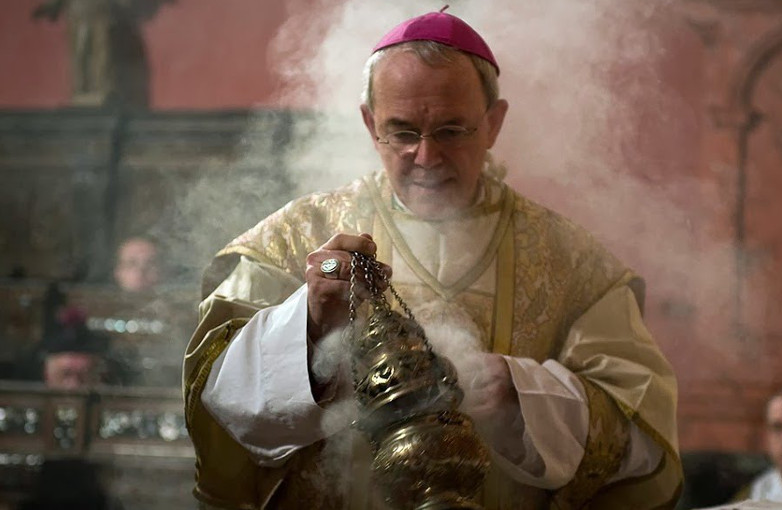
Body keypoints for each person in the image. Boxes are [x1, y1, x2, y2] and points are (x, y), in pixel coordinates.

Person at [182, 7, 681, 510]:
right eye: (402, 132)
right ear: (370, 124)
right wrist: (307, 324)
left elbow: (640, 429)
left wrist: (522, 398)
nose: (426, 157)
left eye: (451, 131)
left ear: (493, 123)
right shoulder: (297, 237)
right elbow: (217, 401)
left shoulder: (572, 261)